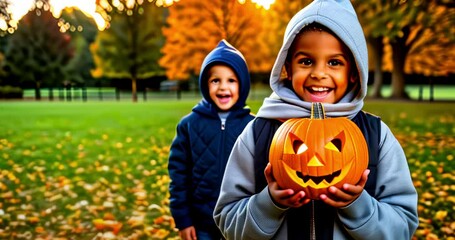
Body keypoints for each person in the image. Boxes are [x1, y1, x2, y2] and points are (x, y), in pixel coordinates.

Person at [213, 0, 418, 239]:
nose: (319, 73)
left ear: (354, 72)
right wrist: (268, 204)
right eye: (306, 61)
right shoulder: (258, 132)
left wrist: (358, 206)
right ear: (288, 68)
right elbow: (228, 222)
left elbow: (402, 227)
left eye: (334, 62)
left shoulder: (375, 135)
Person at [168, 39, 254, 240]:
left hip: (240, 222)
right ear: (205, 85)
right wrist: (183, 220)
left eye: (231, 80)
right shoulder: (189, 125)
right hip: (202, 224)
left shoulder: (253, 126)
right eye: (215, 80)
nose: (223, 87)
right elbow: (179, 177)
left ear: (243, 84)